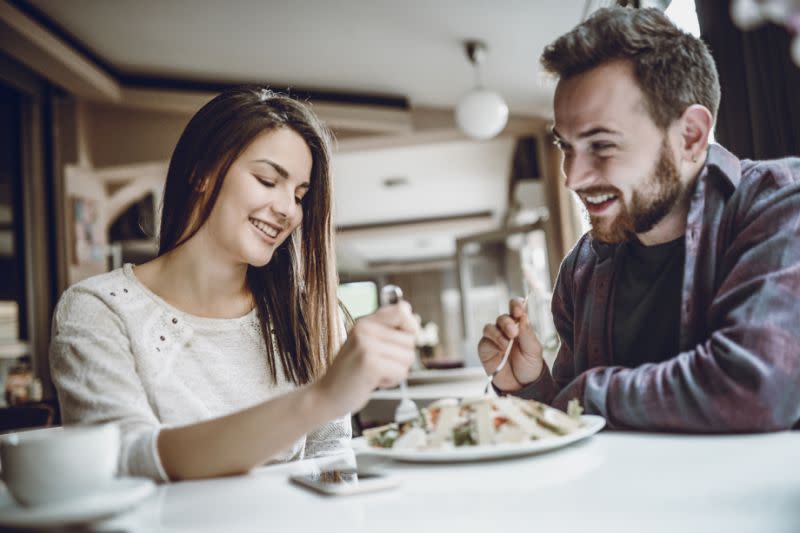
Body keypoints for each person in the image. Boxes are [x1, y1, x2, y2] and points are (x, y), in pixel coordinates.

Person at [50, 87, 418, 481]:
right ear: (201, 172)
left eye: (299, 195)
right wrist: (318, 399)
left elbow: (331, 457)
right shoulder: (98, 309)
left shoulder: (305, 316)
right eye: (266, 180)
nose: (287, 210)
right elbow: (126, 460)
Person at [478, 7, 800, 432]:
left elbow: (757, 387)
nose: (573, 177)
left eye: (602, 145)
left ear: (691, 136)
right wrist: (527, 384)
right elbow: (574, 428)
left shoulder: (779, 205)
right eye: (567, 147)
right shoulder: (580, 269)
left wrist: (583, 392)